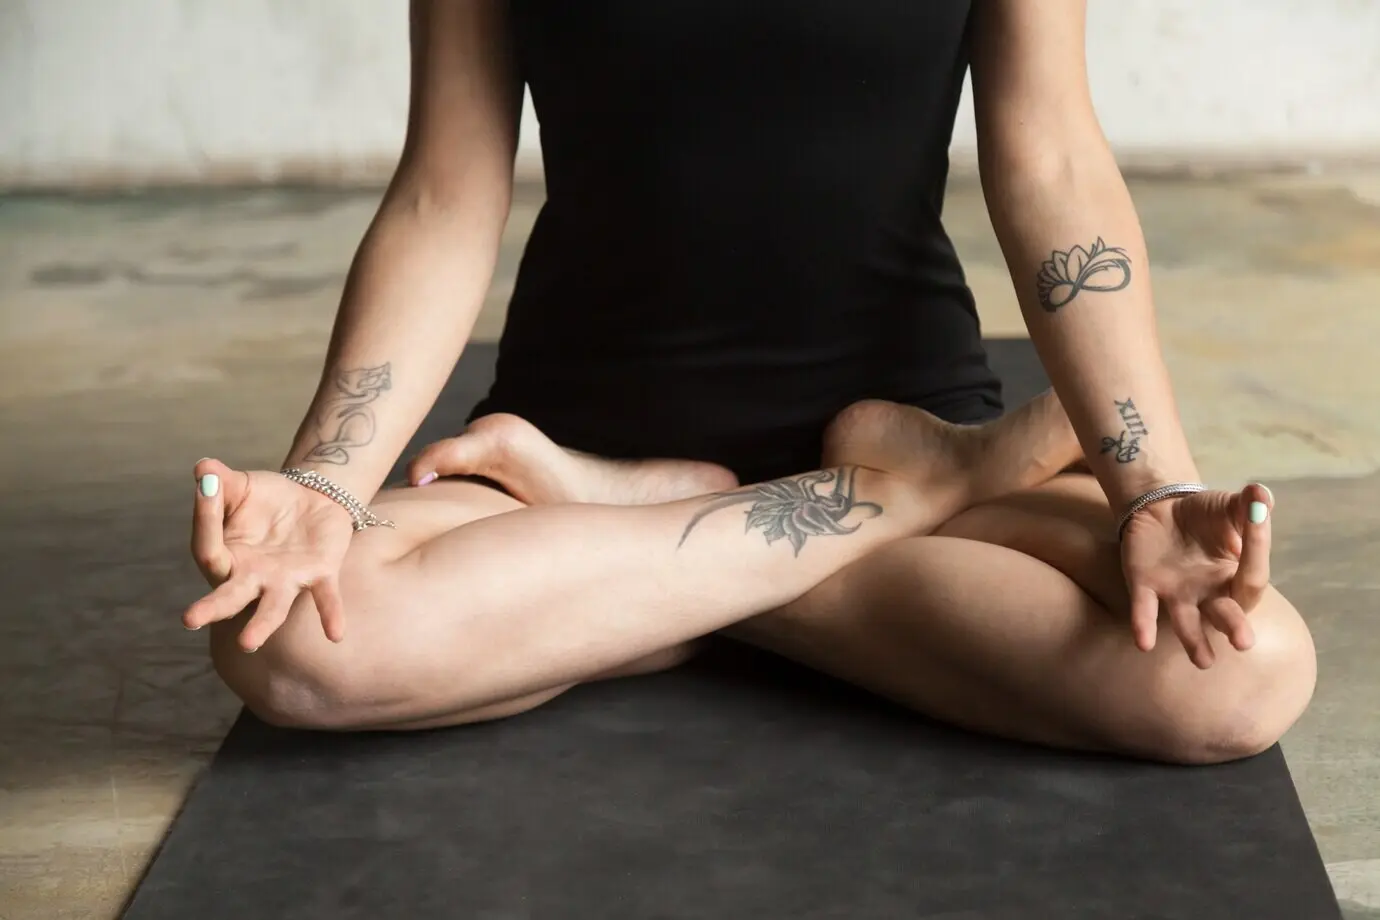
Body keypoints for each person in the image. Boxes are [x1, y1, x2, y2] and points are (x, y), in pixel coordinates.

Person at [184, 0, 1316, 764]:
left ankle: (658, 558)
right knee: (288, 645)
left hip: (884, 403)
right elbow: (443, 191)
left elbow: (1056, 162)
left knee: (1241, 673)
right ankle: (882, 500)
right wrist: (326, 483)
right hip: (591, 431)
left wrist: (1155, 492)